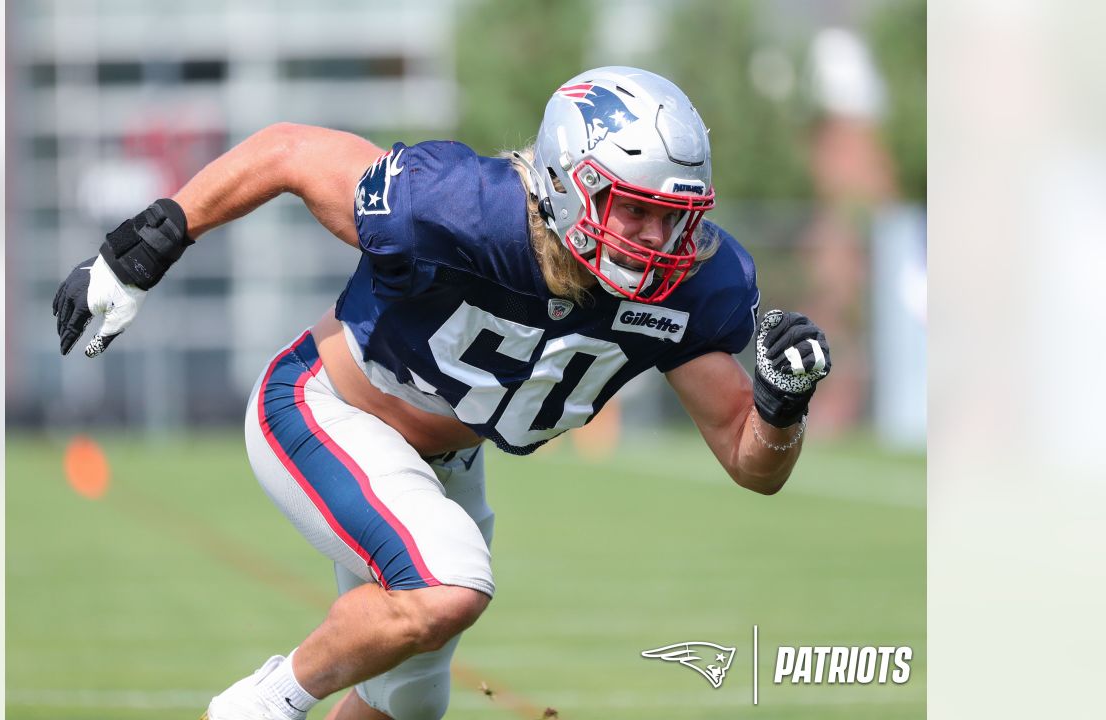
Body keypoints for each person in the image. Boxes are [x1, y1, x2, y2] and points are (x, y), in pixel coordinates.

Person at [52, 66, 831, 720]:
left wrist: (783, 402)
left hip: (445, 466)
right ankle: (258, 708)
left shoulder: (693, 286)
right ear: (566, 183)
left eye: (676, 219)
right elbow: (288, 152)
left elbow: (750, 460)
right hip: (325, 408)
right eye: (635, 211)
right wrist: (143, 250)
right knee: (447, 584)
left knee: (406, 704)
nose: (657, 245)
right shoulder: (456, 207)